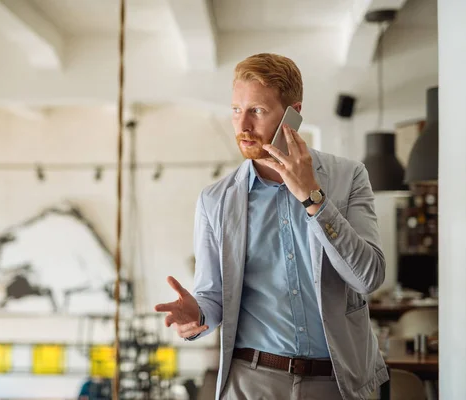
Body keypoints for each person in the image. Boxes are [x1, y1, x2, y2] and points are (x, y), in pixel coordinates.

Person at [154, 53, 389, 400]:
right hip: (251, 382)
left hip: (337, 382)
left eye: (257, 111)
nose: (242, 126)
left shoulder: (348, 177)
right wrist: (197, 313)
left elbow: (368, 277)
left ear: (293, 113)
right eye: (236, 110)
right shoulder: (214, 201)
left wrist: (315, 199)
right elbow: (214, 295)